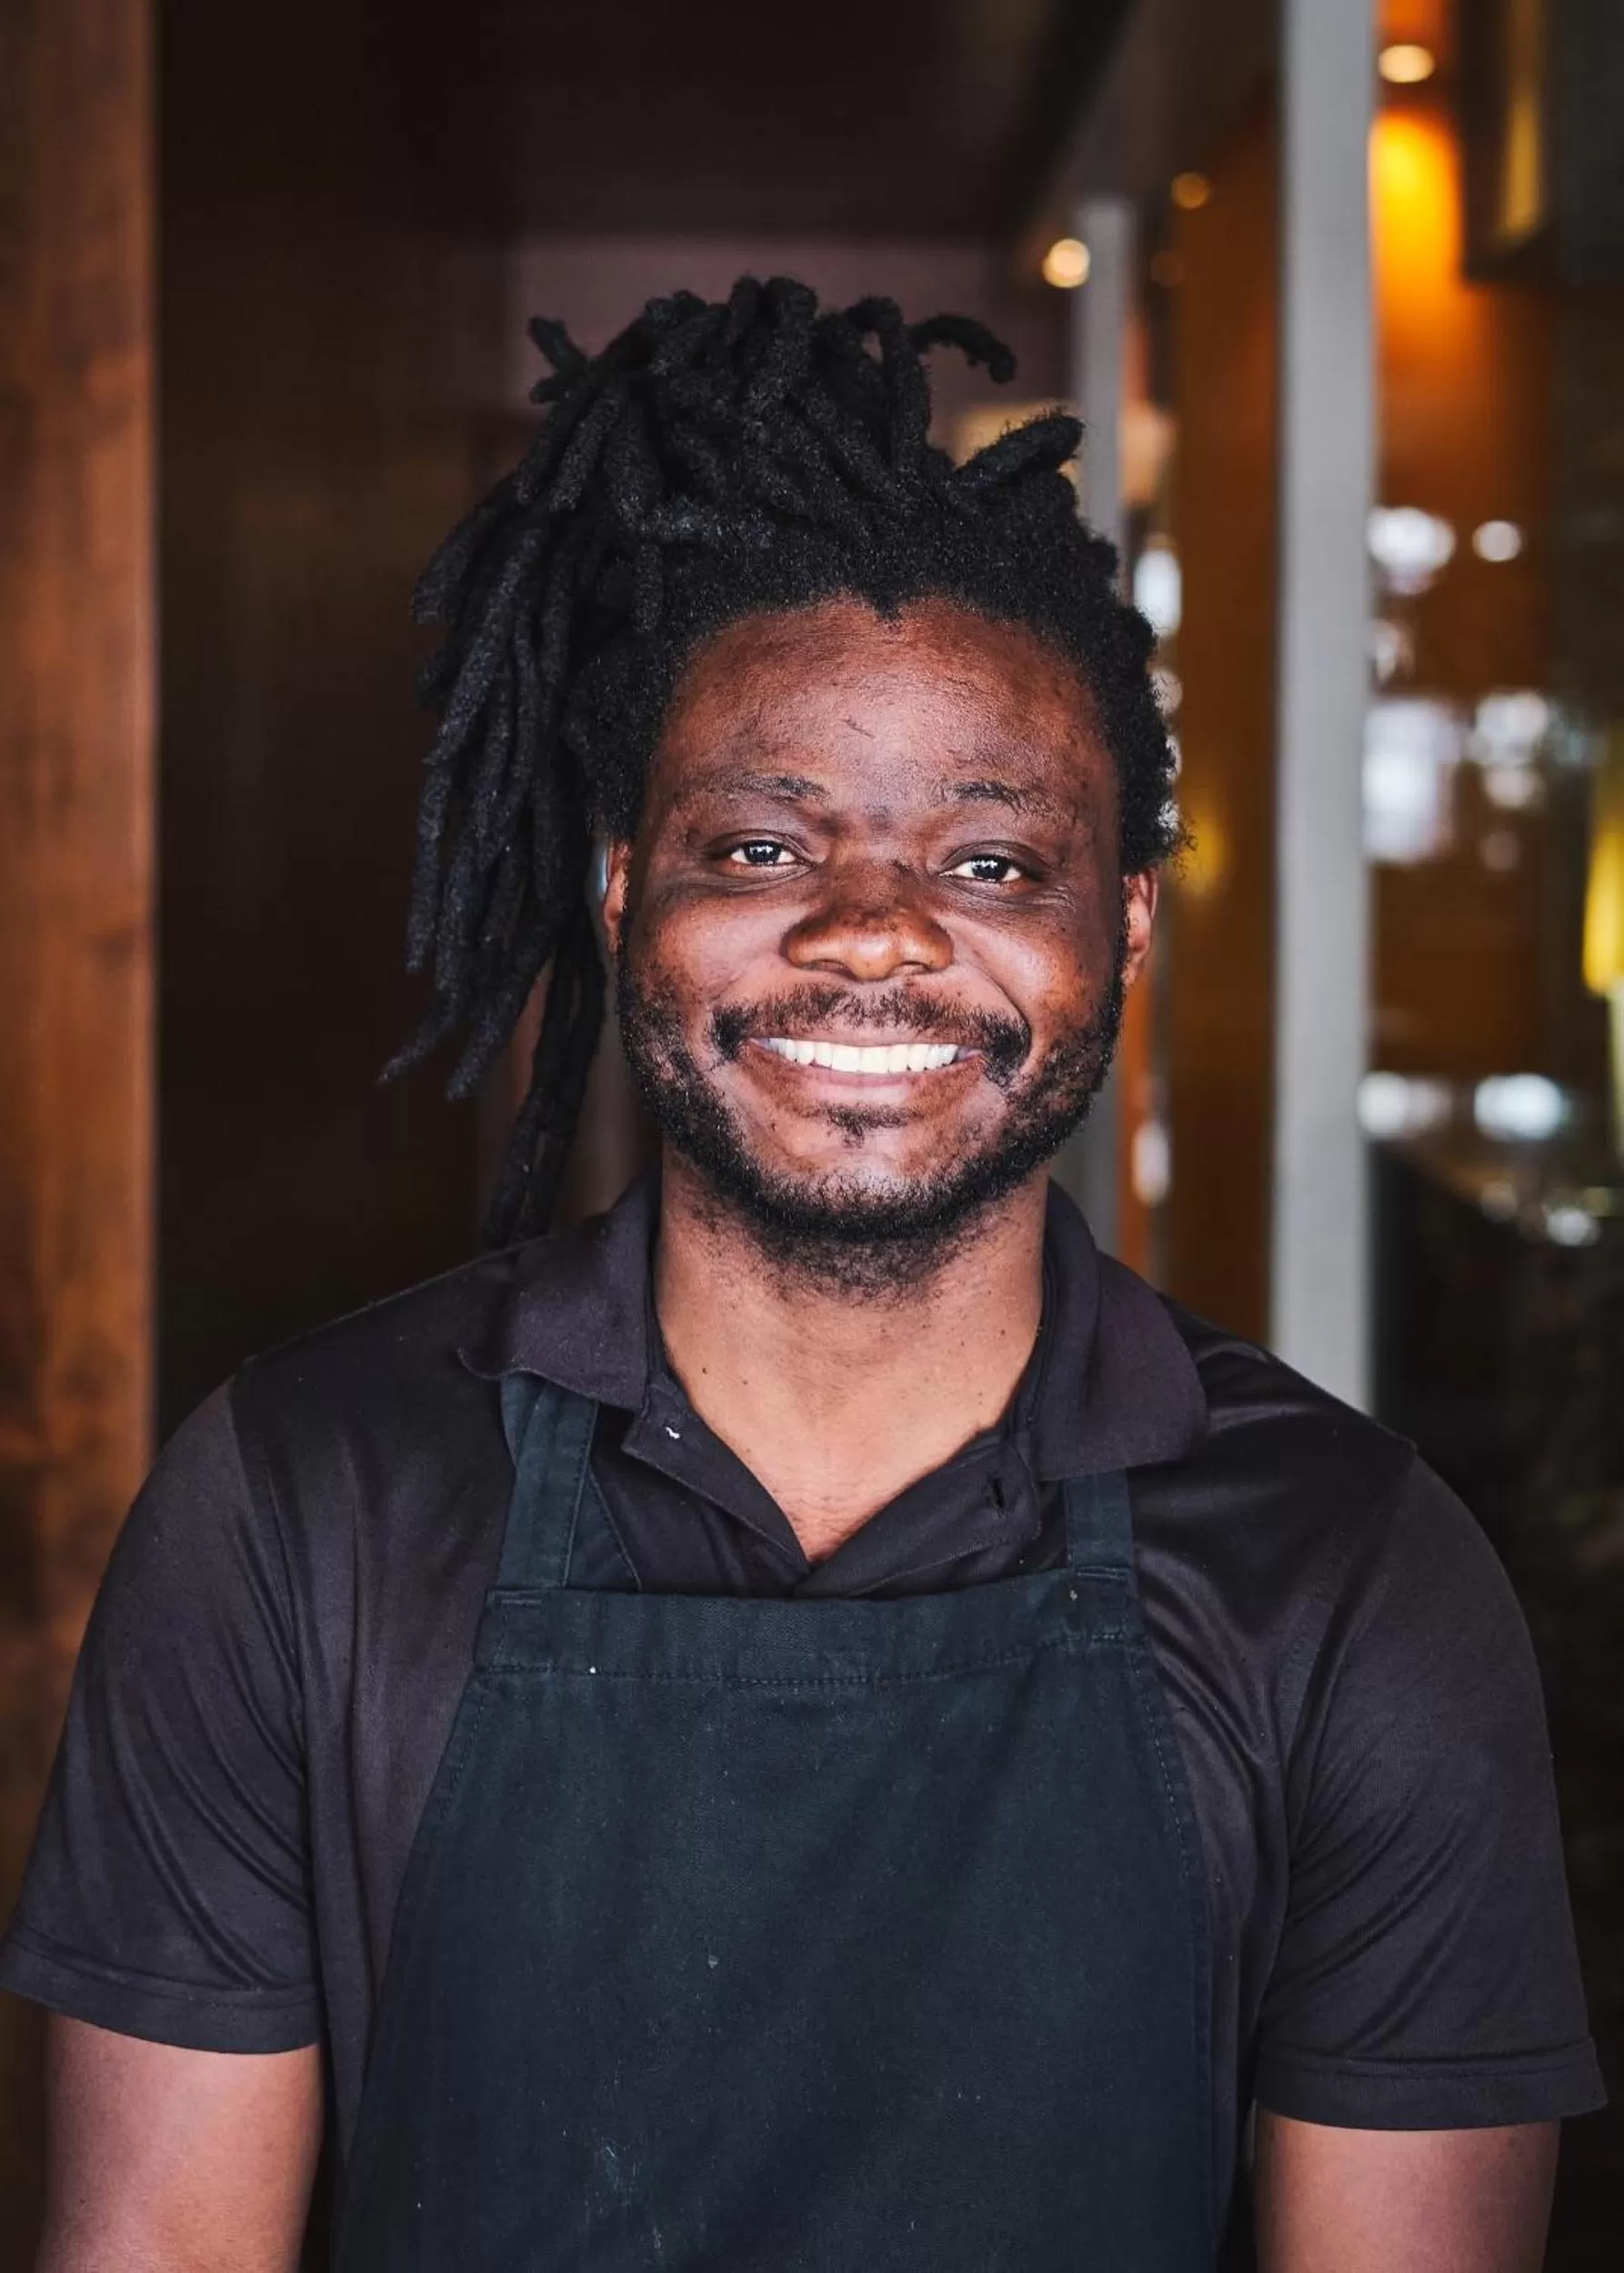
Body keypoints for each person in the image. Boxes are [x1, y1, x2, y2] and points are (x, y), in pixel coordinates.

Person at [3, 279, 1601, 2272]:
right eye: (762, 847)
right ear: (618, 893)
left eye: (990, 864)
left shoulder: (1350, 1576)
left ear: (1117, 926)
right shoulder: (300, 1510)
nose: (871, 937)